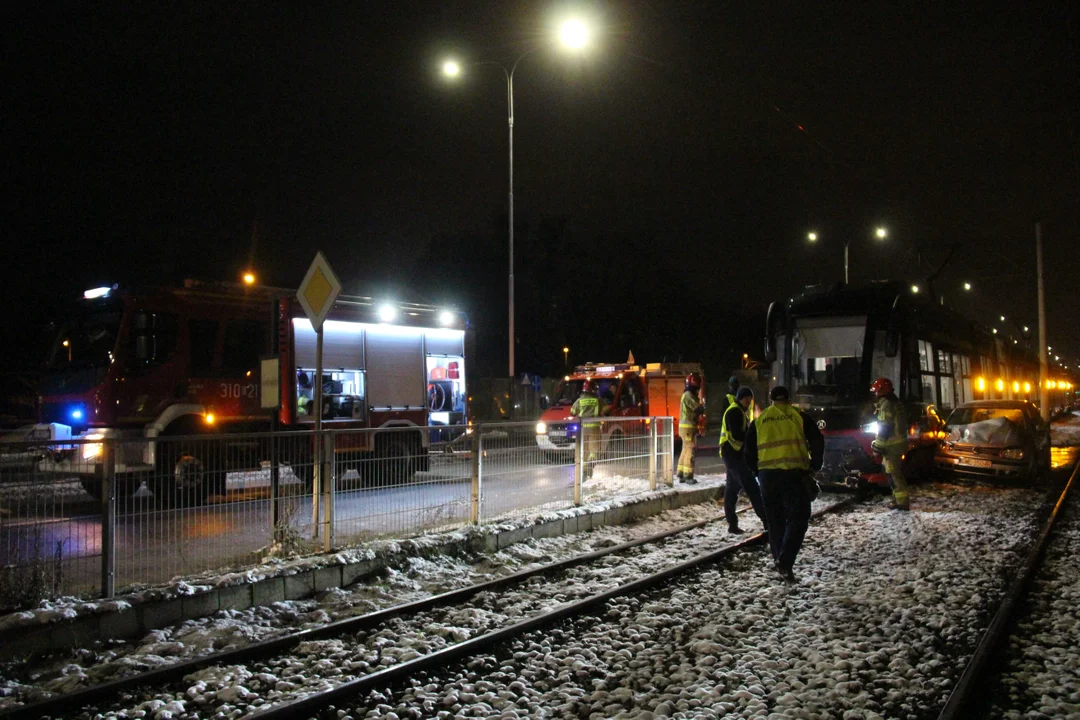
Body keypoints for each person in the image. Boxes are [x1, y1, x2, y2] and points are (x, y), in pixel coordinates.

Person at [745, 385, 824, 582]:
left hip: (767, 477)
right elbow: (817, 440)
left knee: (775, 521)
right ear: (789, 399)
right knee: (799, 518)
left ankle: (780, 560)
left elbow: (748, 453)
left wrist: (757, 471)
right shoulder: (799, 416)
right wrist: (815, 465)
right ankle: (786, 560)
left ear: (771, 400)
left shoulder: (760, 421)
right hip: (794, 474)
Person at [720, 387, 768, 533]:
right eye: (746, 398)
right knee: (752, 487)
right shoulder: (734, 411)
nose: (749, 401)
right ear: (740, 398)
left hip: (733, 455)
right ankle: (767, 521)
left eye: (750, 398)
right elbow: (737, 435)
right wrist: (751, 437)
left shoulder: (741, 411)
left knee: (732, 489)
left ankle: (732, 524)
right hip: (733, 455)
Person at [870, 377, 910, 510]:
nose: (874, 394)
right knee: (889, 472)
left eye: (875, 391)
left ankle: (902, 502)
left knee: (893, 473)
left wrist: (877, 447)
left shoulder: (887, 404)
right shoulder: (895, 402)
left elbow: (885, 427)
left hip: (891, 445)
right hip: (897, 443)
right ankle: (897, 499)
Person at [571, 380, 608, 480]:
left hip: (582, 429)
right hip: (594, 428)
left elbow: (573, 412)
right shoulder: (598, 400)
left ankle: (583, 473)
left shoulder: (579, 400)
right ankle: (589, 469)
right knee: (594, 451)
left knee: (584, 452)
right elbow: (607, 410)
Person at [677, 373, 705, 484]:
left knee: (685, 450)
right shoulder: (688, 395)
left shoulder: (687, 394)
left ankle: (681, 474)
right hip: (688, 428)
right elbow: (698, 408)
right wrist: (702, 406)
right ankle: (688, 476)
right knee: (690, 451)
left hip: (686, 429)